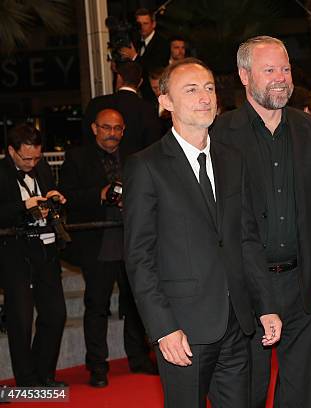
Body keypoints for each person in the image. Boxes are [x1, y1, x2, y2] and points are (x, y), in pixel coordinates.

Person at [123, 57, 282, 407]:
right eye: (191, 90)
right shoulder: (146, 166)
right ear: (165, 102)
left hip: (237, 324)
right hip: (183, 329)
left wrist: (265, 305)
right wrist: (163, 327)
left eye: (209, 88)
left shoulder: (232, 159)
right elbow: (139, 257)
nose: (205, 97)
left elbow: (246, 240)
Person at [212, 36, 311, 408]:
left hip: (305, 288)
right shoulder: (219, 134)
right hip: (245, 290)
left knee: (307, 397)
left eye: (285, 69)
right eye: (269, 69)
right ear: (244, 75)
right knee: (246, 396)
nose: (280, 78)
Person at [59, 109, 156, 387]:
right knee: (97, 306)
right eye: (106, 128)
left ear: (123, 131)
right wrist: (100, 195)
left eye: (117, 128)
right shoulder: (76, 158)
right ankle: (97, 367)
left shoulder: (134, 156)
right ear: (94, 129)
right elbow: (68, 197)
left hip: (131, 241)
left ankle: (139, 359)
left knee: (136, 305)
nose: (112, 133)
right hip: (97, 243)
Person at [0, 124, 67, 387]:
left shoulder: (43, 168)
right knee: (21, 319)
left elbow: (46, 200)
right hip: (14, 253)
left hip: (46, 249)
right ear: (10, 151)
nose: (32, 163)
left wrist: (53, 198)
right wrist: (23, 206)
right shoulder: (2, 173)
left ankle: (44, 374)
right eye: (26, 158)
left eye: (36, 157)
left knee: (55, 313)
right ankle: (26, 381)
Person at [81, 61, 162, 156]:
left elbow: (86, 138)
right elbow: (153, 145)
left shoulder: (96, 104)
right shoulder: (148, 109)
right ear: (140, 82)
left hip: (101, 165)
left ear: (119, 78)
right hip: (136, 167)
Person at [119, 8, 170, 102]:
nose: (142, 27)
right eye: (139, 24)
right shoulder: (136, 41)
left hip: (155, 95)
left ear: (153, 24)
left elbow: (155, 69)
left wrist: (134, 57)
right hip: (138, 94)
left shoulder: (162, 43)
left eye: (145, 23)